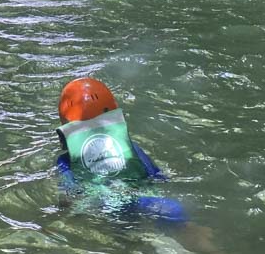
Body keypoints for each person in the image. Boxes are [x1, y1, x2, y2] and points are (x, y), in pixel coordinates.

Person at [55, 77, 186, 222]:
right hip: (144, 199)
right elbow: (155, 175)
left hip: (107, 207)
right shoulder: (130, 148)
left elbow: (67, 198)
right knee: (173, 211)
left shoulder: (65, 162)